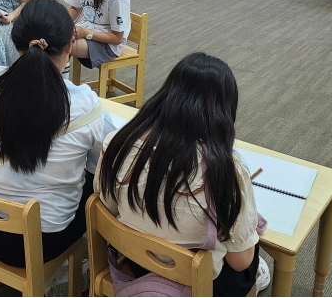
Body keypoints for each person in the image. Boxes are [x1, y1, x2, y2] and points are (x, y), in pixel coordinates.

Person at [0, 0, 115, 267]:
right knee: (93, 181)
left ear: (13, 41)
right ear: (70, 47)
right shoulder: (87, 105)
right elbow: (102, 167)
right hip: (38, 243)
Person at [95, 52, 268, 297]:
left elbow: (108, 207)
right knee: (248, 263)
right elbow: (239, 261)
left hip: (137, 263)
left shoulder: (118, 143)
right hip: (197, 282)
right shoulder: (226, 170)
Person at [65, 0, 131, 70]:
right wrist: (60, 23)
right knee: (54, 37)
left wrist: (86, 33)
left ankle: (60, 84)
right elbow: (75, 9)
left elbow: (117, 38)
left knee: (60, 46)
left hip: (109, 42)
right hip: (88, 27)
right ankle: (57, 81)